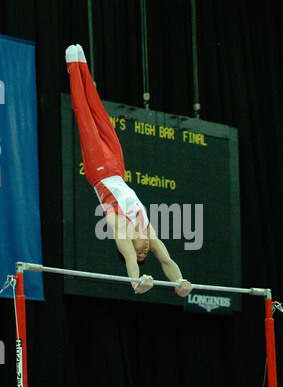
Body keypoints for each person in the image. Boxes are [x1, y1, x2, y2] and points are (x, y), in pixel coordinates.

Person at [65, 44, 193, 297]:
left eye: (141, 251)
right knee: (100, 114)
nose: (145, 248)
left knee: (85, 117)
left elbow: (130, 261)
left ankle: (72, 67)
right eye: (147, 252)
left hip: (99, 172)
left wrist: (137, 283)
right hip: (117, 169)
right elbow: (166, 261)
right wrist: (181, 284)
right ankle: (83, 65)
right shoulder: (147, 231)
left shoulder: (120, 230)